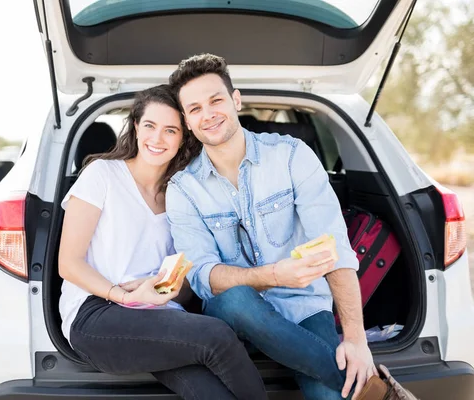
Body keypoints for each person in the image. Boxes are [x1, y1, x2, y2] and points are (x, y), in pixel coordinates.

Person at [165, 54, 379, 400]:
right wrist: (275, 275)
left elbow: (334, 246)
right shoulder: (183, 190)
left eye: (216, 100)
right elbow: (203, 275)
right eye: (195, 109)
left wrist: (355, 338)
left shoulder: (293, 156)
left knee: (328, 396)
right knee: (237, 299)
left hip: (304, 306)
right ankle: (374, 391)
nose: (208, 114)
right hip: (231, 319)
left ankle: (349, 382)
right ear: (188, 122)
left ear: (236, 100)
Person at [58, 84, 267, 400]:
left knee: (210, 391)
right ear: (136, 127)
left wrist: (165, 288)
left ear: (183, 137)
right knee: (218, 337)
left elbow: (182, 286)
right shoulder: (102, 175)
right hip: (95, 313)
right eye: (150, 126)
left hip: (155, 313)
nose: (157, 139)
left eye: (170, 130)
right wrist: (123, 296)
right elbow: (68, 263)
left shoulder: (182, 195)